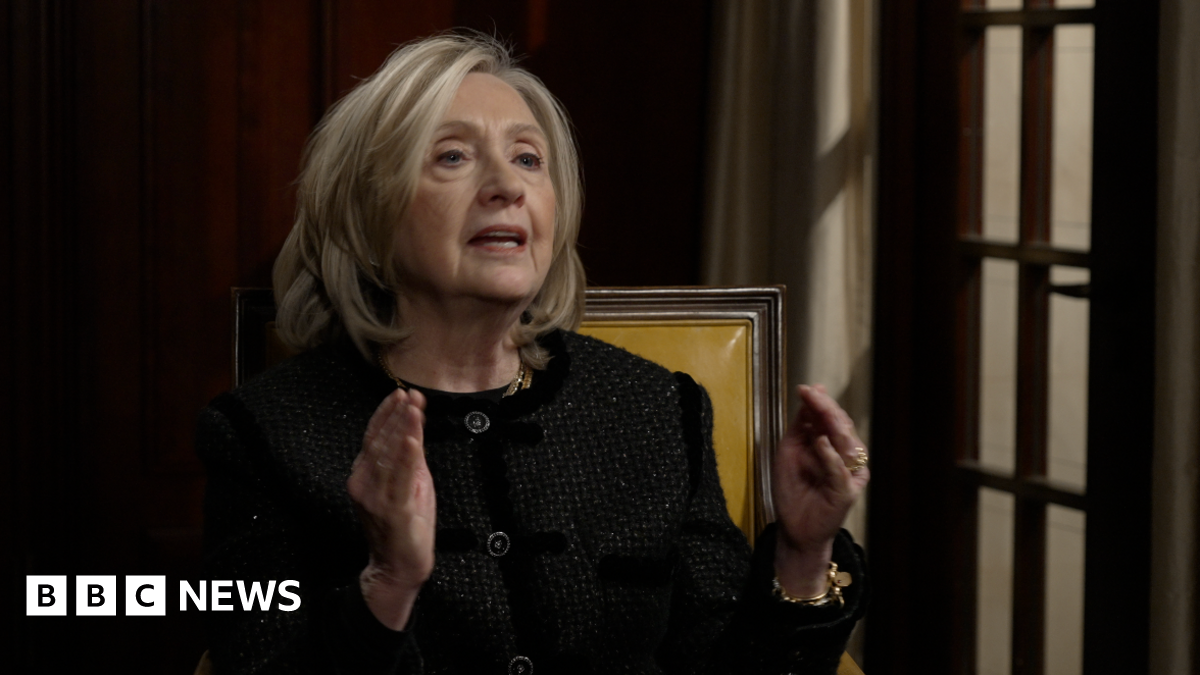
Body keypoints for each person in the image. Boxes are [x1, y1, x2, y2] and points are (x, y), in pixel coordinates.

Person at [197, 33, 870, 675]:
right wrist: (388, 584)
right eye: (452, 157)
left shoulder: (656, 409)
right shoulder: (263, 435)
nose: (507, 186)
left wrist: (802, 554)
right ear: (366, 215)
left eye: (528, 158)